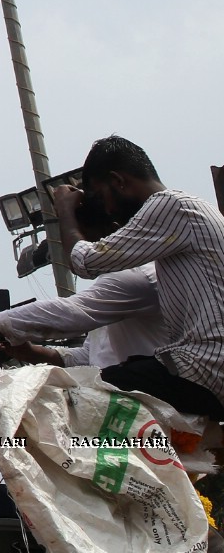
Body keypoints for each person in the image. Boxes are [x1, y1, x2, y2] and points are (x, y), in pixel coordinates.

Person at [55, 135, 224, 420]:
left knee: (82, 397)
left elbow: (86, 262)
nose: (107, 210)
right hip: (208, 368)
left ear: (118, 181)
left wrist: (64, 212)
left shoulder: (171, 205)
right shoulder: (189, 211)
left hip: (204, 366)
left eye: (100, 196)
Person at [0, 190, 168, 369]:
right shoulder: (113, 288)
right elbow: (88, 358)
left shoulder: (137, 277)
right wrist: (31, 352)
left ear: (110, 230)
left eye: (76, 237)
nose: (71, 249)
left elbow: (71, 313)